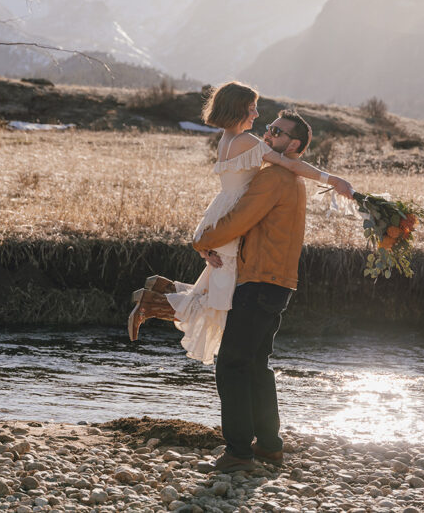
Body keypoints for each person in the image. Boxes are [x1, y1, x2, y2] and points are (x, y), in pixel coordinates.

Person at [127, 83, 352, 365]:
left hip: (220, 211)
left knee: (215, 289)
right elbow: (292, 165)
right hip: (232, 215)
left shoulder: (226, 139)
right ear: (237, 109)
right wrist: (333, 180)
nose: (257, 115)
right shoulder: (246, 142)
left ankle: (155, 295)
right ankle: (151, 302)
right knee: (220, 296)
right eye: (251, 108)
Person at [192, 109, 314, 472]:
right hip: (276, 283)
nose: (268, 133)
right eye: (269, 127)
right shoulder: (288, 178)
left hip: (259, 281)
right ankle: (269, 446)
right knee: (256, 366)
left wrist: (201, 240)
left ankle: (238, 453)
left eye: (276, 131)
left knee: (231, 365)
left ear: (293, 145)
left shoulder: (274, 177)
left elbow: (241, 217)